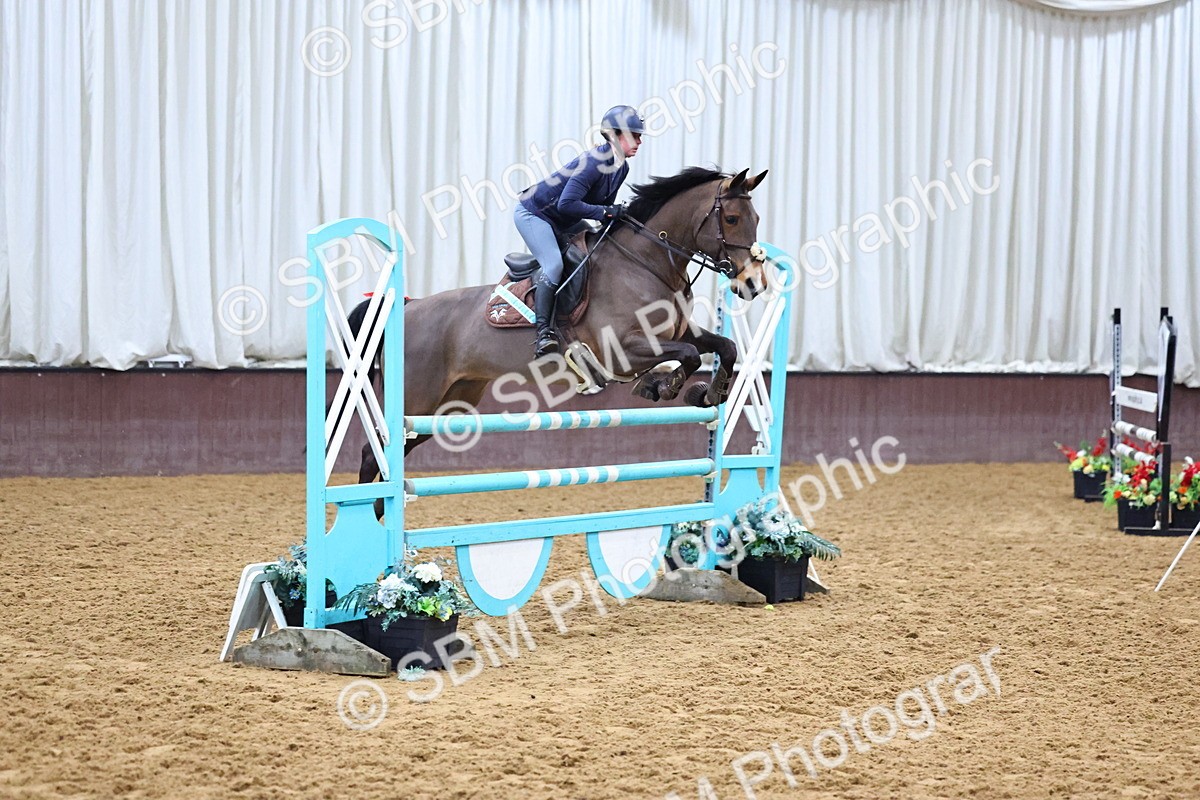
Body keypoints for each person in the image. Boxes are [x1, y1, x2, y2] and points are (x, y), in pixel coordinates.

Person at [515, 105, 645, 357]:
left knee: (596, 249)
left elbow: (602, 209)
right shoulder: (593, 162)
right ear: (615, 135)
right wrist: (607, 212)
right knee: (553, 265)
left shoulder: (622, 167)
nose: (639, 141)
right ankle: (544, 333)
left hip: (564, 218)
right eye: (634, 135)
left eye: (640, 136)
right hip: (535, 214)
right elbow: (568, 203)